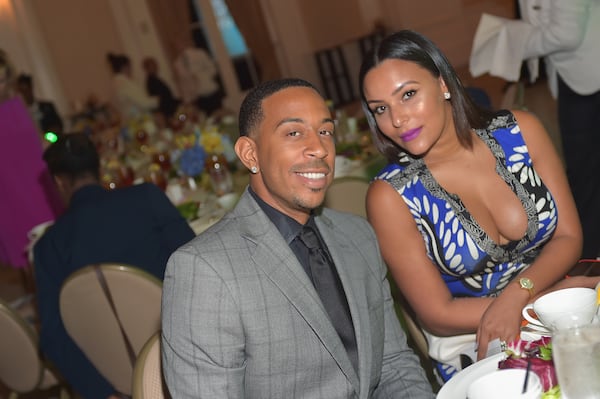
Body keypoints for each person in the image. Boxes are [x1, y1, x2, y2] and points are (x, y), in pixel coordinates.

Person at [161, 78, 435, 398]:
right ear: (250, 154)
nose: (320, 148)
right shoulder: (204, 271)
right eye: (294, 133)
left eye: (325, 131)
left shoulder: (358, 235)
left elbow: (393, 365)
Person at [358, 30, 600, 382]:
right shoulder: (391, 196)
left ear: (443, 84)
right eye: (381, 108)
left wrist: (522, 296)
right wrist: (542, 303)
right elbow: (437, 313)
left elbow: (568, 235)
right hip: (476, 343)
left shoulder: (521, 131)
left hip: (560, 306)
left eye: (408, 95)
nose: (397, 119)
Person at [33, 133, 195, 399]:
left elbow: (53, 336)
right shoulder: (147, 197)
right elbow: (198, 269)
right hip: (187, 355)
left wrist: (103, 393)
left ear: (59, 182)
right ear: (100, 168)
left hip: (116, 377)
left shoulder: (48, 247)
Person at [0, 49, 62, 272]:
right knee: (28, 253)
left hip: (38, 182)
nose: (3, 86)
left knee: (58, 243)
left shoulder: (17, 103)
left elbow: (38, 140)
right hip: (9, 191)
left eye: (6, 79)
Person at [172, 42, 224, 116]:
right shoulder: (177, 64)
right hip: (197, 96)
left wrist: (201, 76)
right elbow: (183, 84)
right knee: (209, 121)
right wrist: (187, 100)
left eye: (179, 43)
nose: (178, 46)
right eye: (176, 45)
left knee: (220, 116)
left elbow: (213, 69)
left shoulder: (199, 53)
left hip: (210, 90)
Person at [106, 52, 158, 120]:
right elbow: (145, 103)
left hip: (129, 120)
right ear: (125, 67)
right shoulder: (126, 84)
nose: (131, 70)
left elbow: (114, 107)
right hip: (139, 120)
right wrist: (159, 100)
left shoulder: (114, 85)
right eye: (130, 67)